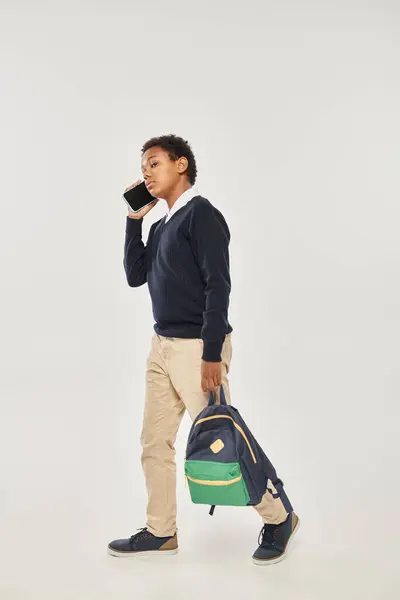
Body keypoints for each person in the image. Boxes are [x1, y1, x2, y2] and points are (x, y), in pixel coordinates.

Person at [108, 134, 299, 565]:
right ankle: (161, 532)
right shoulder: (160, 225)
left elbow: (219, 284)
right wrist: (133, 221)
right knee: (154, 442)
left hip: (197, 348)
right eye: (143, 167)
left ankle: (279, 516)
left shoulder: (202, 215)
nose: (146, 173)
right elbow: (135, 275)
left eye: (153, 164)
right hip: (161, 345)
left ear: (180, 165)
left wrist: (212, 353)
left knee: (224, 439)